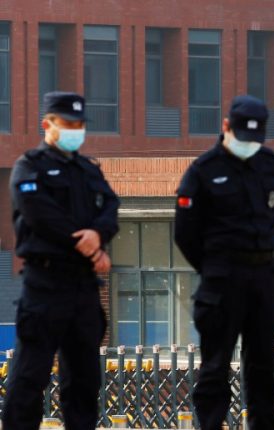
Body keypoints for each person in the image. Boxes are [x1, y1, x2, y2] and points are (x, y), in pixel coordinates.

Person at [3, 91, 119, 430]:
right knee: (29, 378)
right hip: (45, 284)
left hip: (83, 289)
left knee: (84, 381)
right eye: (67, 124)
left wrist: (98, 235)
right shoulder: (29, 166)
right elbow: (40, 214)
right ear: (47, 125)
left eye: (79, 124)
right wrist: (87, 246)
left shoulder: (88, 170)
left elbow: (110, 208)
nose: (74, 130)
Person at [174, 95, 274, 430]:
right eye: (242, 136)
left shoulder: (268, 162)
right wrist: (214, 266)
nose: (249, 145)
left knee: (263, 369)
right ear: (226, 127)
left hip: (263, 277)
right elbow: (185, 233)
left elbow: (273, 216)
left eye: (255, 138)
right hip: (222, 279)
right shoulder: (204, 171)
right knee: (215, 368)